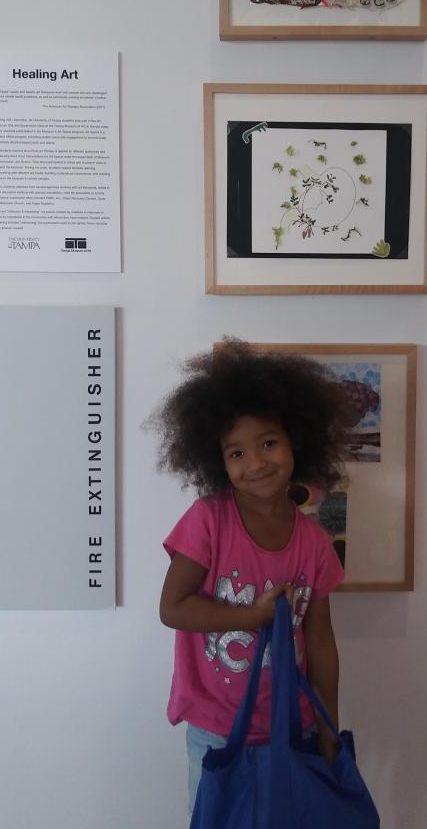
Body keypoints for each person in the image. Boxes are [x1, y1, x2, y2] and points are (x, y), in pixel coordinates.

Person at [151, 339, 351, 814]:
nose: (256, 463)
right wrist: (251, 616)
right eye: (236, 452)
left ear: (296, 441)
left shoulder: (314, 541)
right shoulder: (208, 521)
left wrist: (328, 721)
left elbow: (320, 642)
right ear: (217, 461)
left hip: (294, 727)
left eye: (268, 443)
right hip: (218, 731)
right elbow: (172, 608)